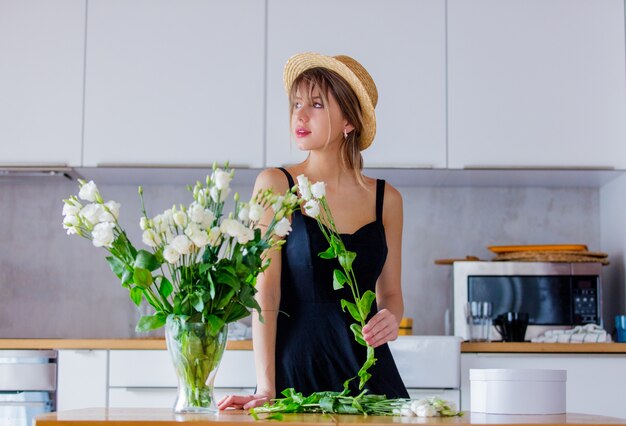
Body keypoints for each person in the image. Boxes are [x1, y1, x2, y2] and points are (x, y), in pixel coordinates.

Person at [218, 52, 408, 410]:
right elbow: (266, 293)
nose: (300, 116)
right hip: (297, 375)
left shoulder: (388, 199)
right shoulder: (276, 184)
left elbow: (393, 294)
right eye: (296, 104)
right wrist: (266, 387)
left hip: (372, 380)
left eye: (317, 104)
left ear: (349, 121)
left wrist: (390, 319)